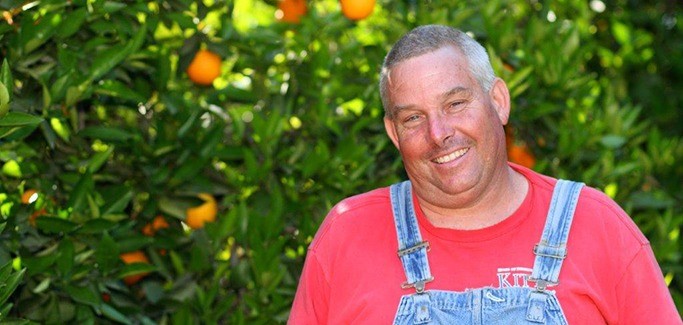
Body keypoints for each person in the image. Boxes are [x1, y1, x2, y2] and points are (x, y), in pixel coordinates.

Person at [288, 25, 681, 324]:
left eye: (456, 103)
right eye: (413, 118)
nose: (439, 133)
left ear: (499, 101)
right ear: (393, 133)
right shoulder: (345, 236)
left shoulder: (597, 225)